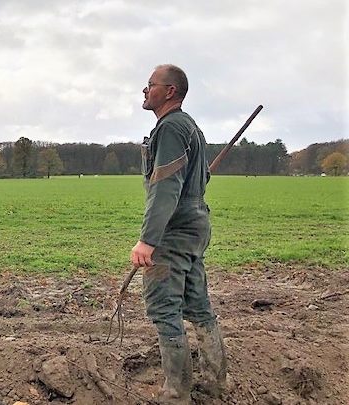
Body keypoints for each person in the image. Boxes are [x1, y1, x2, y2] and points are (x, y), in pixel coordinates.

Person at [131, 64, 227, 403]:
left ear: (170, 91)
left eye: (150, 84)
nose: (145, 90)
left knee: (164, 306)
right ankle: (215, 383)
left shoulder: (171, 127)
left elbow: (166, 186)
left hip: (175, 229)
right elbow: (195, 180)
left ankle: (176, 395)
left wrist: (148, 239)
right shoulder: (190, 127)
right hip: (196, 223)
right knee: (198, 305)